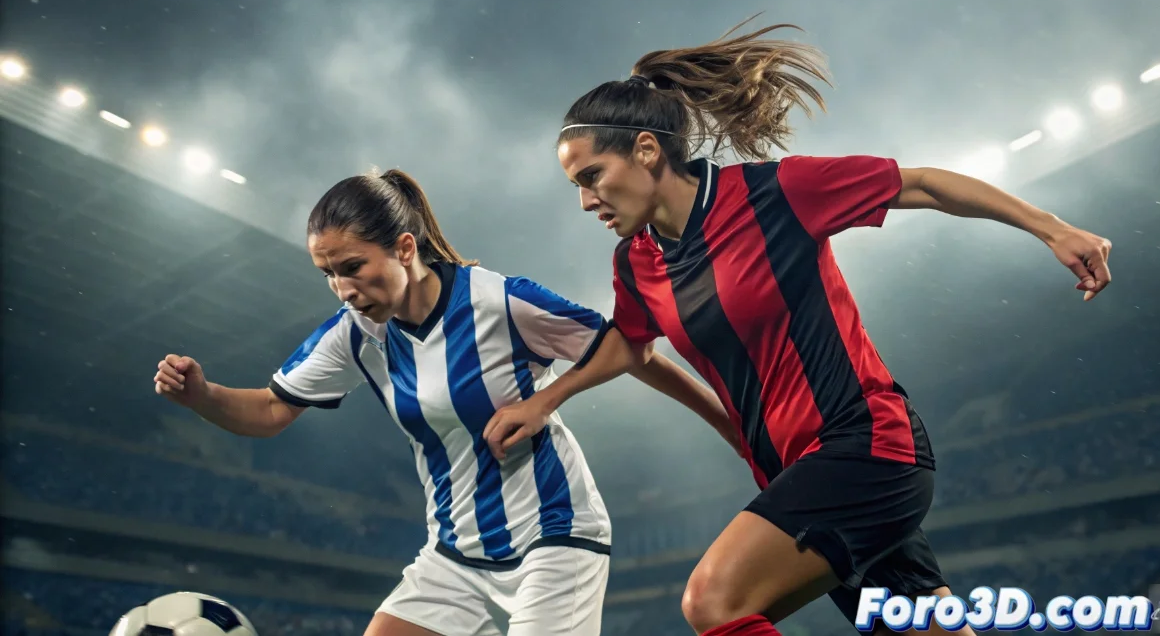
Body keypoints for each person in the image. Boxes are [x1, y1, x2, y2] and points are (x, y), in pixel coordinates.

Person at [482, 17, 1113, 636]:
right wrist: (546, 400)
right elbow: (630, 346)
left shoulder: (775, 193)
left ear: (646, 150)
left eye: (592, 177)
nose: (586, 201)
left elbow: (921, 185)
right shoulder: (637, 262)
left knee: (713, 603)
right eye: (575, 186)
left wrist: (1051, 228)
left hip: (864, 447)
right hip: (796, 472)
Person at [152, 168, 740, 636]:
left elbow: (630, 347)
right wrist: (202, 395)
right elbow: (271, 411)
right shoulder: (356, 333)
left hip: (554, 538)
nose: (345, 289)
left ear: (405, 247)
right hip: (454, 555)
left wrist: (727, 422)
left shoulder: (499, 302)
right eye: (328, 274)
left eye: (354, 266)